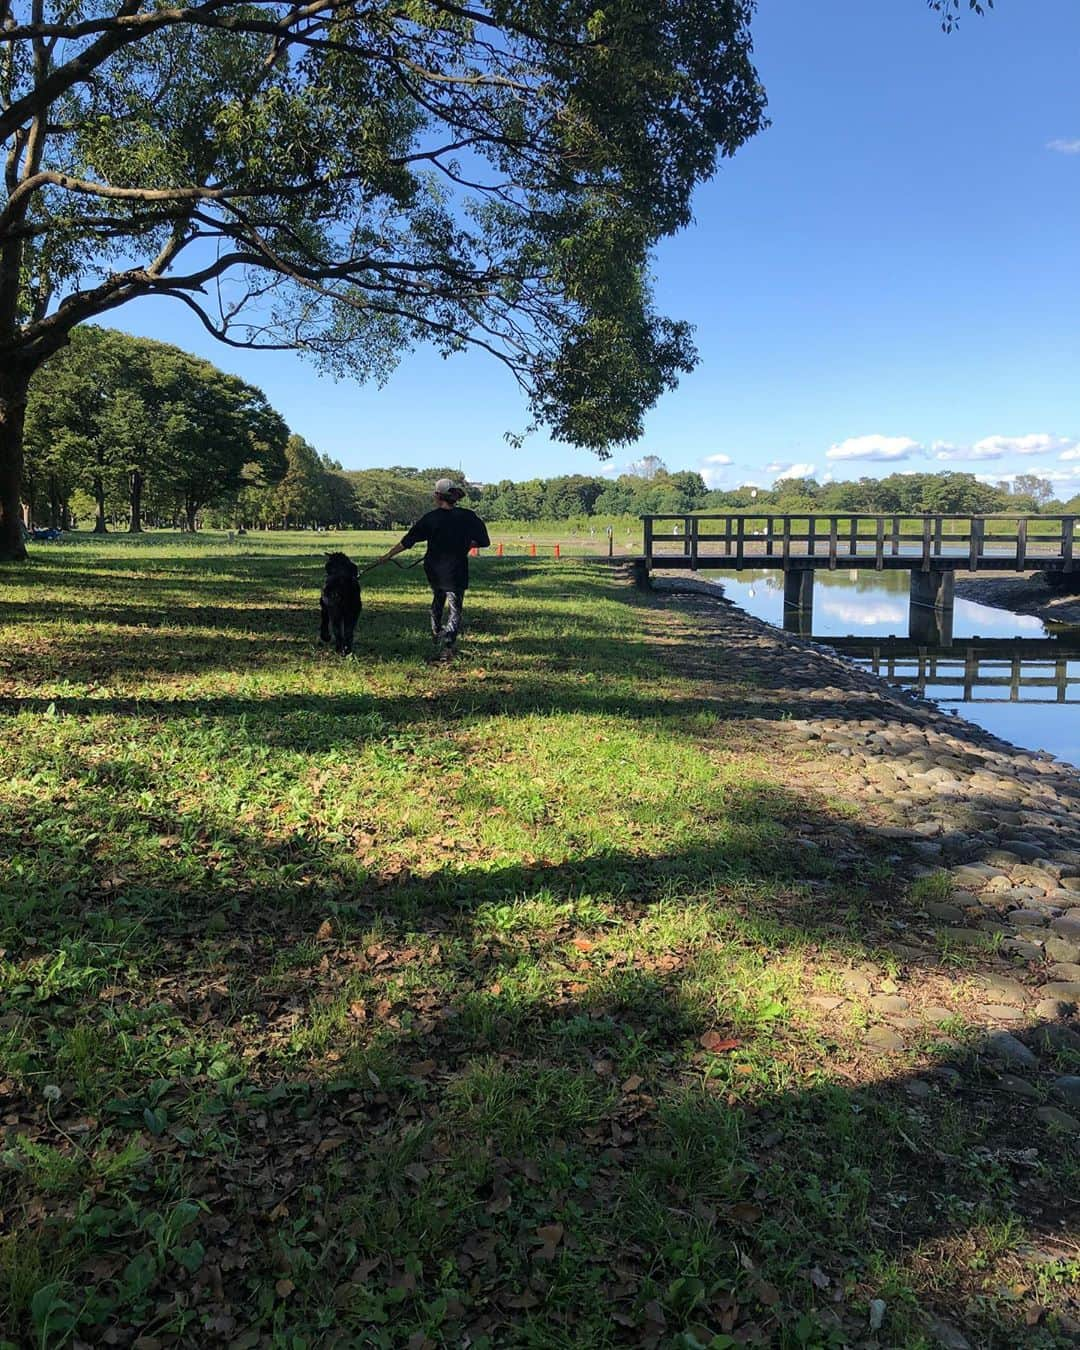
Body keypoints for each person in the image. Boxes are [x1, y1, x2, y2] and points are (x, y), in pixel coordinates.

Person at [379, 478, 490, 660]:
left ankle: (436, 631)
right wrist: (466, 544)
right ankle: (447, 646)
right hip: (457, 570)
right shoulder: (469, 517)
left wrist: (388, 556)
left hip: (434, 569)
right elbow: (484, 541)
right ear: (454, 496)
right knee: (455, 608)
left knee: (438, 599)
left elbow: (408, 541)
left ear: (437, 496)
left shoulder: (430, 518)